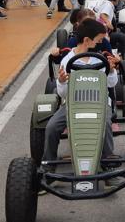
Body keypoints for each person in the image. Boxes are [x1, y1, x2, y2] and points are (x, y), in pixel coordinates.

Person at [43, 19, 119, 162]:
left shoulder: (99, 59)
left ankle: (108, 161)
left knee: (106, 124)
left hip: (99, 102)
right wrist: (61, 81)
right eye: (98, 40)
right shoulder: (67, 61)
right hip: (73, 104)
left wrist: (111, 71)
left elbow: (111, 83)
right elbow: (63, 94)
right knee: (52, 127)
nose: (100, 43)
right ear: (87, 40)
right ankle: (49, 163)